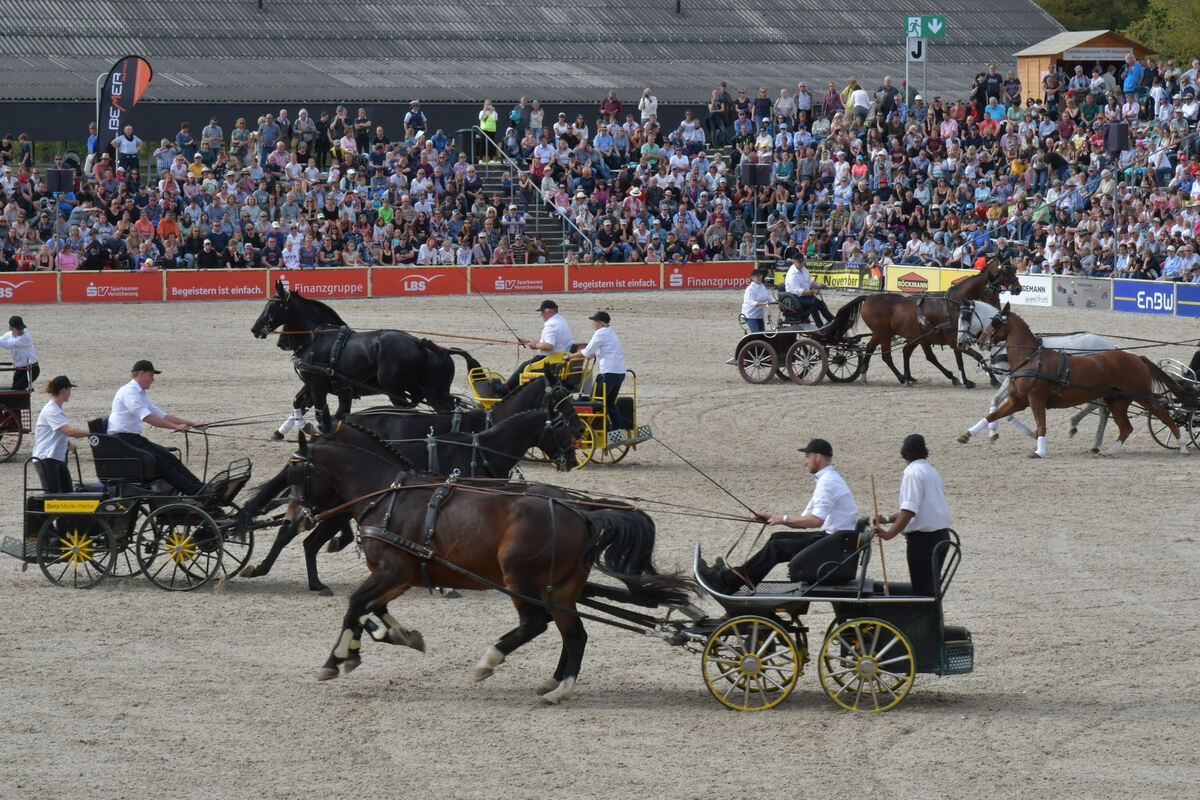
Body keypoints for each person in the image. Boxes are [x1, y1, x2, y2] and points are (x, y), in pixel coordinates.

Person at [698, 438, 858, 593]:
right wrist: (773, 517)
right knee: (776, 538)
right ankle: (736, 580)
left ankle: (726, 580)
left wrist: (782, 519)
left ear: (818, 457)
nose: (805, 462)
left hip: (832, 544)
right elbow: (806, 520)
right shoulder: (827, 479)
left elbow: (816, 520)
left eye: (807, 457)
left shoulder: (827, 482)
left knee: (776, 548)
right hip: (834, 540)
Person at [108, 360, 206, 494]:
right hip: (122, 440)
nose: (153, 380)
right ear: (142, 373)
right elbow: (148, 418)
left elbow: (161, 415)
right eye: (151, 375)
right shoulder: (129, 392)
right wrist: (175, 427)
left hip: (132, 438)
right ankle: (195, 492)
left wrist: (192, 423)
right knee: (161, 462)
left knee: (169, 457)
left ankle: (200, 488)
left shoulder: (140, 394)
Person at [872, 434, 953, 596]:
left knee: (923, 590)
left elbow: (909, 511)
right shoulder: (931, 471)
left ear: (903, 452)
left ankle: (924, 620)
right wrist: (886, 519)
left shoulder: (912, 473)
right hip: (941, 537)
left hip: (924, 542)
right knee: (930, 589)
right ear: (925, 451)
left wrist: (889, 534)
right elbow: (918, 509)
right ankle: (931, 619)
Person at [572, 311, 627, 443]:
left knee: (596, 403)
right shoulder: (610, 332)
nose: (593, 324)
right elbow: (598, 351)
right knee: (610, 403)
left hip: (609, 373)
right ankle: (616, 431)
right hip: (619, 372)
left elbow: (586, 351)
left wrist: (569, 357)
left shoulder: (600, 333)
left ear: (601, 323)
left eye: (595, 322)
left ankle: (606, 432)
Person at [32, 375, 89, 493]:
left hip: (55, 457)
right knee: (53, 496)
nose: (70, 393)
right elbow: (69, 431)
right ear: (64, 390)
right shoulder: (51, 410)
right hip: (46, 458)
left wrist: (67, 444)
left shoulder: (57, 409)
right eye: (69, 390)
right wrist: (92, 433)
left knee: (68, 492)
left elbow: (55, 432)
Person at [507, 299, 572, 391]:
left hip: (551, 360)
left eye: (541, 312)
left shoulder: (551, 324)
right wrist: (527, 341)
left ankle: (506, 389)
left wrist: (534, 346)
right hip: (560, 357)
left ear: (547, 312)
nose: (541, 315)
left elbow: (549, 345)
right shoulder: (560, 321)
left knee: (524, 366)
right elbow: (545, 339)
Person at [782, 256, 834, 326]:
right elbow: (797, 291)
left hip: (805, 295)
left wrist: (819, 285)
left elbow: (810, 281)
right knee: (814, 303)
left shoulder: (804, 269)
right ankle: (821, 325)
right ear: (794, 262)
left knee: (821, 304)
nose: (801, 264)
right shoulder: (792, 274)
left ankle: (832, 321)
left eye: (802, 262)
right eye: (799, 262)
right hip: (795, 297)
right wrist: (812, 292)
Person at [0, 315, 38, 390]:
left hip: (32, 369)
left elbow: (8, 344)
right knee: (15, 392)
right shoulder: (9, 335)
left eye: (21, 328)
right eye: (18, 329)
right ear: (10, 329)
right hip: (20, 369)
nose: (21, 331)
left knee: (16, 390)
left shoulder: (25, 338)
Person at [741, 268, 773, 332]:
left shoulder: (762, 286)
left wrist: (776, 300)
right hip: (751, 315)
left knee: (762, 333)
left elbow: (767, 297)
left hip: (759, 314)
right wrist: (764, 303)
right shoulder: (750, 289)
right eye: (757, 276)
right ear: (752, 278)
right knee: (756, 333)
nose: (759, 277)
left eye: (760, 276)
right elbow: (751, 303)